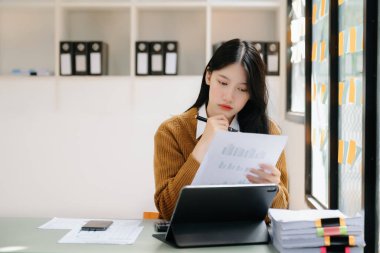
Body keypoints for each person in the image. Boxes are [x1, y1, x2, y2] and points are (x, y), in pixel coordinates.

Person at [153, 38, 288, 221]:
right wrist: (204, 145)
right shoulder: (171, 131)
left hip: (245, 241)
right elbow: (168, 210)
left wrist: (273, 188)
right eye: (223, 83)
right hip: (187, 242)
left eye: (242, 89)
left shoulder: (269, 131)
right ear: (209, 76)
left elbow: (281, 212)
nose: (229, 96)